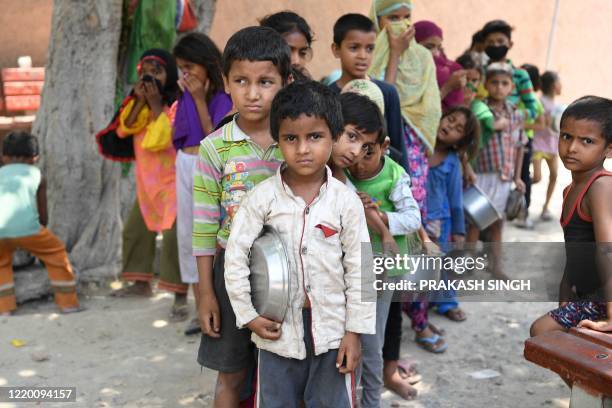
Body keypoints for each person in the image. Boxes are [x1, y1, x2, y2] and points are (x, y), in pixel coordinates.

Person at [224, 80, 375, 407]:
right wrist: (248, 315)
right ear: (277, 140)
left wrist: (354, 332)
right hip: (277, 334)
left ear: (334, 137)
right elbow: (236, 258)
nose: (303, 149)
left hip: (333, 333)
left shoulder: (345, 202)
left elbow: (361, 269)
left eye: (315, 137)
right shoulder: (261, 199)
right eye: (291, 138)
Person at [192, 26, 291, 407]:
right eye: (241, 81)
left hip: (290, 269)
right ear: (225, 82)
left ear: (285, 82)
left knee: (282, 371)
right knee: (231, 373)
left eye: (266, 81)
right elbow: (203, 227)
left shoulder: (296, 141)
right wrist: (205, 294)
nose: (253, 93)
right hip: (231, 272)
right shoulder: (214, 148)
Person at [335, 91, 421, 406]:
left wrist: (382, 217)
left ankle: (370, 402)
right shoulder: (337, 176)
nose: (357, 155)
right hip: (350, 271)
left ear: (383, 146)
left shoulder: (393, 176)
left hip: (383, 271)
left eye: (367, 149)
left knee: (371, 345)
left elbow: (413, 218)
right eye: (350, 140)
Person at [111, 49, 189, 319]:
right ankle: (140, 284)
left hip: (172, 183)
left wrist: (156, 105)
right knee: (134, 230)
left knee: (173, 239)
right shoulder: (137, 105)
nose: (151, 77)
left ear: (169, 75)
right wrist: (139, 99)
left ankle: (180, 295)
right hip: (146, 185)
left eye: (158, 71)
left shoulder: (176, 105)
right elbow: (124, 128)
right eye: (147, 71)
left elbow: (162, 139)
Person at [530, 96, 612, 339]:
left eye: (587, 141)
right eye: (566, 136)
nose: (572, 147)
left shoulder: (601, 186)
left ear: (608, 148)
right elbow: (577, 247)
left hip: (603, 298)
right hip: (587, 294)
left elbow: (607, 250)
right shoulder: (570, 189)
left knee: (542, 331)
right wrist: (566, 289)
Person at [172, 32, 233, 335]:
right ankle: (200, 308)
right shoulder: (182, 94)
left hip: (206, 166)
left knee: (208, 233)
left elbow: (214, 139)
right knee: (187, 236)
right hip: (184, 163)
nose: (185, 74)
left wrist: (198, 99)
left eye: (189, 66)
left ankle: (215, 304)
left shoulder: (223, 97)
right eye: (181, 67)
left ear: (205, 64)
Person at [0, 132, 82, 315]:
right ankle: (68, 303)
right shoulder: (37, 174)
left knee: (1, 263)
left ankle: (4, 308)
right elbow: (43, 215)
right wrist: (40, 230)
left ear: (3, 157)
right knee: (56, 253)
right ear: (35, 158)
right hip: (30, 230)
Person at [467, 62, 527, 278]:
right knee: (475, 220)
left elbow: (520, 146)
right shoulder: (479, 109)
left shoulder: (517, 115)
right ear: (486, 84)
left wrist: (518, 177)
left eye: (504, 83)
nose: (499, 88)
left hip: (503, 177)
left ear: (511, 87)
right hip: (481, 174)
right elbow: (471, 142)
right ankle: (468, 263)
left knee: (497, 223)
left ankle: (496, 265)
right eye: (494, 83)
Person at [329, 13, 408, 171]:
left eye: (369, 48)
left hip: (380, 181)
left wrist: (404, 185)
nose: (363, 56)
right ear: (336, 49)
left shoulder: (387, 92)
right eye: (354, 48)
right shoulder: (327, 95)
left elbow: (398, 145)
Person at [425, 107, 480, 322]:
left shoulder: (451, 162)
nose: (449, 127)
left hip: (439, 223)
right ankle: (419, 303)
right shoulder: (419, 149)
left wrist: (458, 230)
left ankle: (447, 302)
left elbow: (456, 200)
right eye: (450, 119)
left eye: (458, 128)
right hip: (414, 219)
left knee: (439, 265)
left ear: (460, 140)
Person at [480, 20, 538, 120]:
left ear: (510, 44)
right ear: (484, 45)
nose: (496, 45)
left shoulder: (520, 75)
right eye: (490, 42)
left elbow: (533, 111)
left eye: (500, 41)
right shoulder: (478, 73)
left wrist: (510, 116)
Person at [515, 63, 546, 229]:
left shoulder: (532, 100)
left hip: (524, 143)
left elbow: (541, 125)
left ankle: (523, 213)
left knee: (524, 177)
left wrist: (519, 126)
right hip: (507, 141)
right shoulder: (510, 96)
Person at [414, 20, 467, 111]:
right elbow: (419, 113)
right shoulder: (404, 72)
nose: (436, 54)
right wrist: (447, 88)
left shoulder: (449, 70)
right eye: (429, 47)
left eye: (439, 48)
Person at [532, 71, 563, 221]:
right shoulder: (540, 102)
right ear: (553, 85)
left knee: (554, 175)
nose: (561, 85)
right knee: (537, 178)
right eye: (559, 82)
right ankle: (519, 189)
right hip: (538, 145)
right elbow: (541, 122)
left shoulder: (557, 105)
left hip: (552, 145)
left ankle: (545, 208)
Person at [260, 11, 314, 78]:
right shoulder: (253, 85)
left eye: (302, 53)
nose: (297, 61)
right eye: (287, 51)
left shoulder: (308, 85)